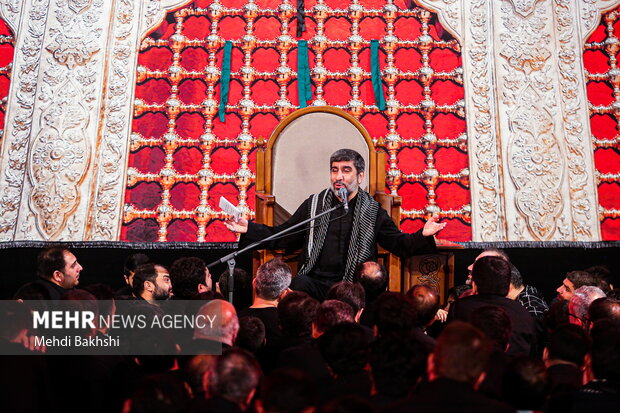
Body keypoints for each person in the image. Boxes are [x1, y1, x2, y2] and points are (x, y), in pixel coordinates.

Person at [225, 148, 445, 300]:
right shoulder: (314, 205)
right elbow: (285, 235)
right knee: (298, 284)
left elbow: (399, 243)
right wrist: (249, 228)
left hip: (352, 284)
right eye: (334, 170)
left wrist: (423, 235)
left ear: (360, 176)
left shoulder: (372, 210)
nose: (338, 176)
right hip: (316, 282)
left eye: (346, 170)